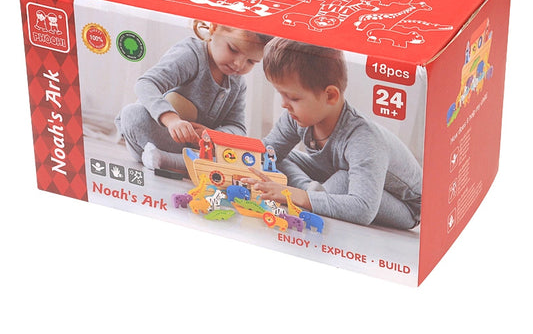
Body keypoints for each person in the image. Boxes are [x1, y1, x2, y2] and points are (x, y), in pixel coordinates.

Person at [245, 38, 422, 230]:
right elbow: (267, 152)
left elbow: (363, 209)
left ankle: (309, 194)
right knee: (274, 156)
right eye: (281, 94)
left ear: (330, 96)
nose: (283, 104)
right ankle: (314, 192)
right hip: (333, 174)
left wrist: (297, 196)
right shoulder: (295, 116)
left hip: (403, 205)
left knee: (343, 180)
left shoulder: (363, 139)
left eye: (293, 98)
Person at [116, 20, 271, 170]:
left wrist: (212, 135)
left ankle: (167, 160)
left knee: (246, 152)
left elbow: (238, 128)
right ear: (214, 27)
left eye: (251, 61)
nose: (239, 64)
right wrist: (172, 121)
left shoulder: (238, 83)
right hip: (164, 135)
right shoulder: (190, 55)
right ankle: (178, 161)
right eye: (233, 49)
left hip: (202, 146)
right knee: (132, 114)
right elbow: (146, 84)